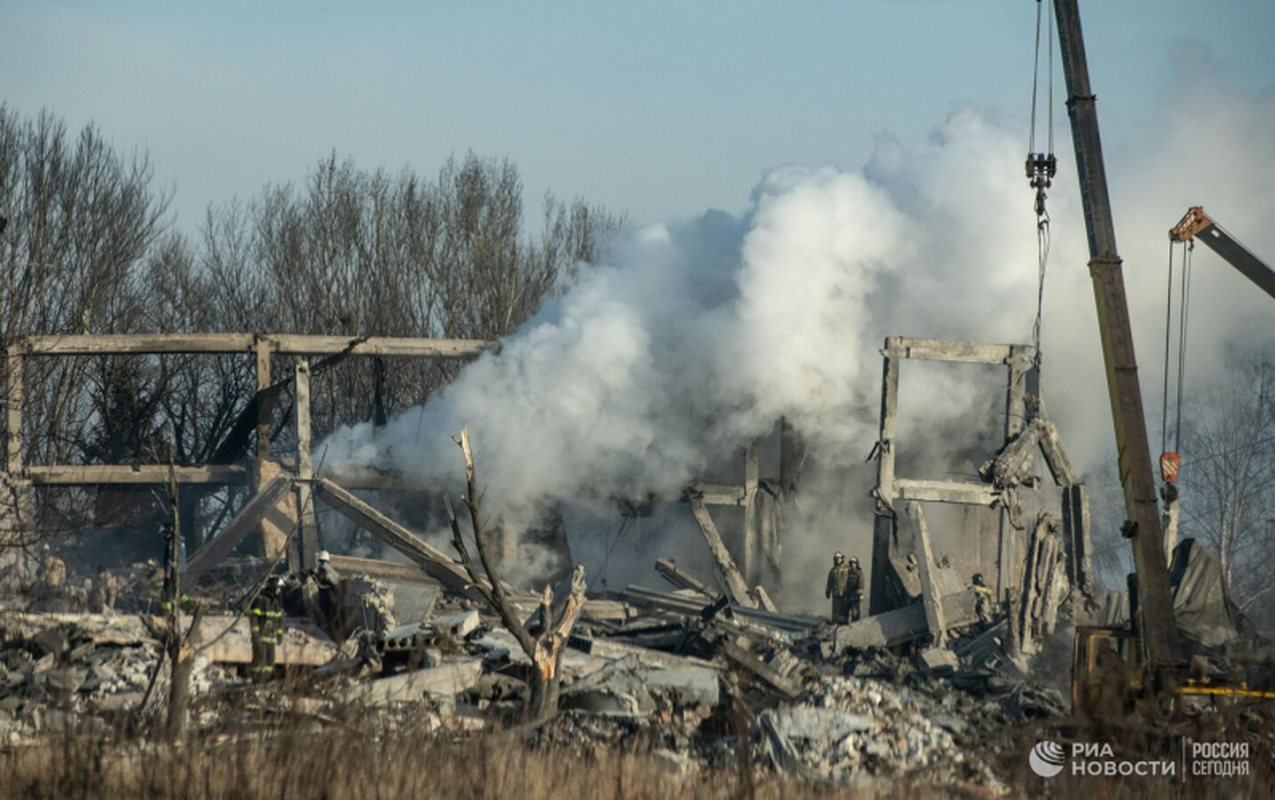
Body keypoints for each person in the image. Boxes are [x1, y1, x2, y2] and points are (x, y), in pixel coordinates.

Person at [249, 576, 286, 683]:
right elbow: (253, 617)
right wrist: (255, 634)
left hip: (271, 638)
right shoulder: (260, 601)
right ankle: (256, 682)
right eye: (278, 588)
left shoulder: (275, 603)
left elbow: (278, 621)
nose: (279, 591)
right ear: (273, 587)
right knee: (259, 662)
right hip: (260, 638)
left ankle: (266, 682)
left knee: (270, 662)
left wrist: (279, 635)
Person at [825, 552, 853, 624]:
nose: (838, 560)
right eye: (836, 559)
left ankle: (844, 624)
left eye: (839, 559)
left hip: (845, 593)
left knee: (844, 610)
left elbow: (852, 580)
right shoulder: (833, 570)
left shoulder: (847, 569)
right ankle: (835, 622)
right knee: (835, 610)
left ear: (842, 559)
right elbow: (829, 582)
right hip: (836, 593)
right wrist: (828, 591)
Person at [845, 556, 864, 622]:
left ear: (857, 564)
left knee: (855, 613)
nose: (852, 565)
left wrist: (860, 594)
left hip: (855, 596)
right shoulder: (848, 573)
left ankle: (854, 626)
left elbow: (861, 585)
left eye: (854, 563)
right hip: (848, 595)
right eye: (851, 563)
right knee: (845, 612)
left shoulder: (859, 573)